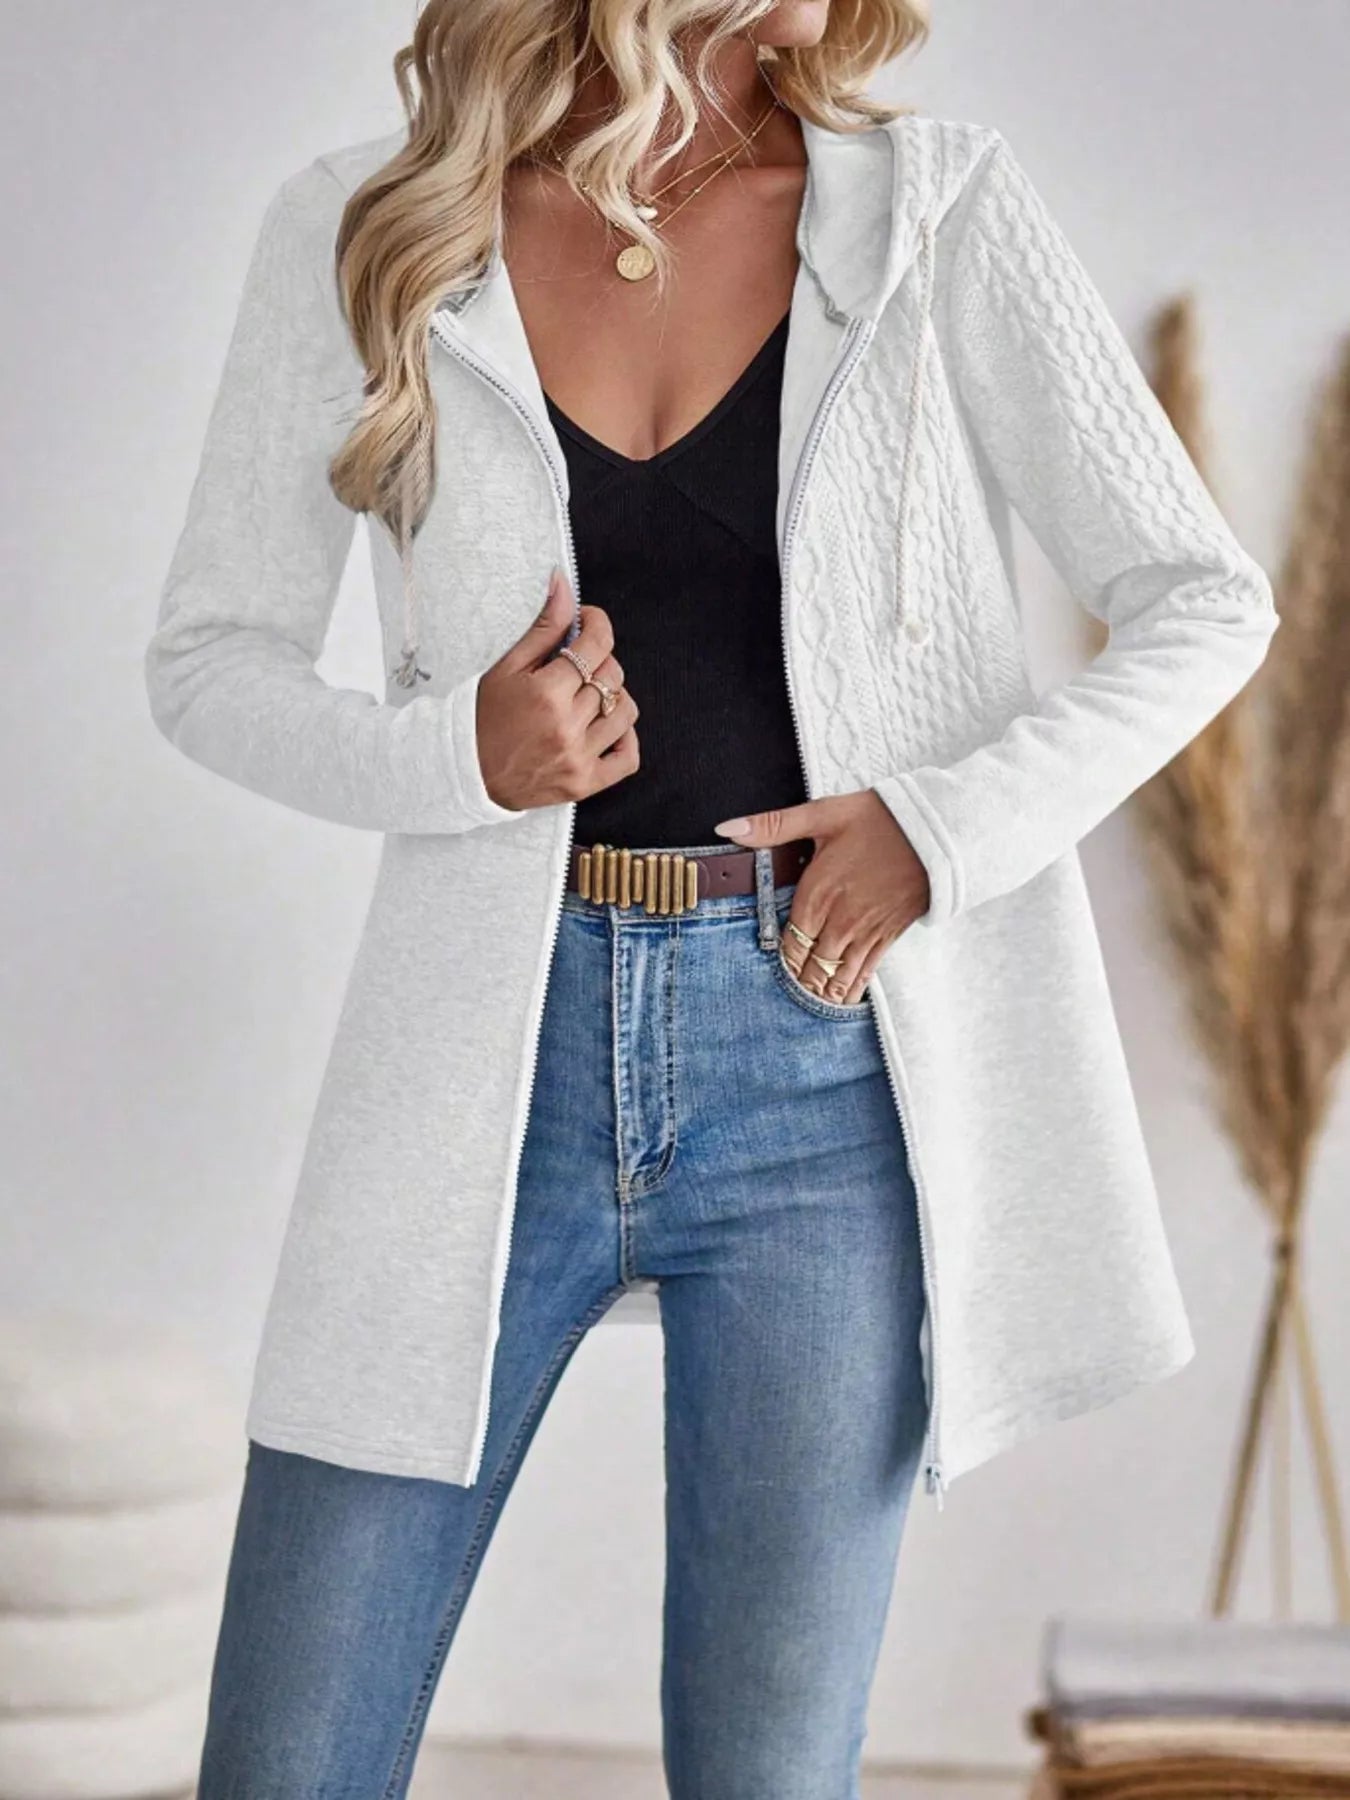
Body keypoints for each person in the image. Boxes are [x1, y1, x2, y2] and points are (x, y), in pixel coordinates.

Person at [144, 0, 1279, 1792]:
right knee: (288, 1757)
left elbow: (1204, 598)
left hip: (822, 1067)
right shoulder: (376, 225)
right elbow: (210, 661)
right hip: (484, 1061)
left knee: (769, 1768)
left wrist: (939, 827)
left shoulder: (935, 212)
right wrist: (462, 758)